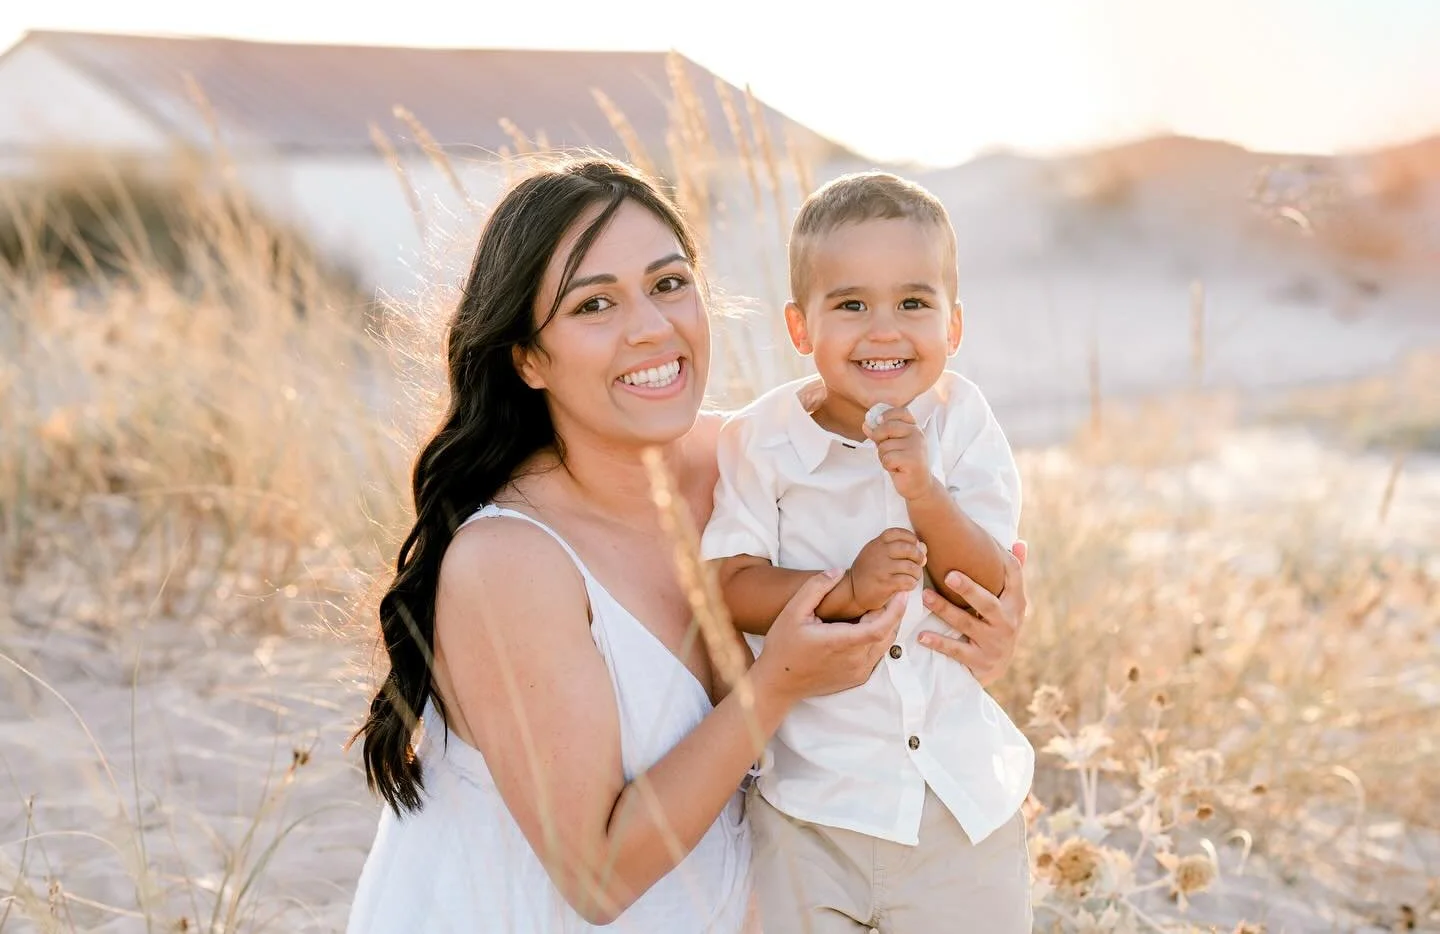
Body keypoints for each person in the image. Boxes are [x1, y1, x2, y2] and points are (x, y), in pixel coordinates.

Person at [345, 157, 1031, 933]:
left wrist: (980, 631)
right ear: (529, 359)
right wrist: (773, 687)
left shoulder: (754, 460)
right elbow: (594, 881)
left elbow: (913, 619)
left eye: (669, 284)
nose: (651, 327)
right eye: (594, 304)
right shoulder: (510, 562)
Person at [702, 172, 1034, 933]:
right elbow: (728, 583)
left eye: (913, 303)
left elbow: (985, 582)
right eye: (851, 304)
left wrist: (924, 490)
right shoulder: (761, 441)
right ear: (800, 328)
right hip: (810, 808)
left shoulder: (964, 422)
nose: (884, 330)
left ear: (952, 328)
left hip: (957, 806)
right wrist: (844, 591)